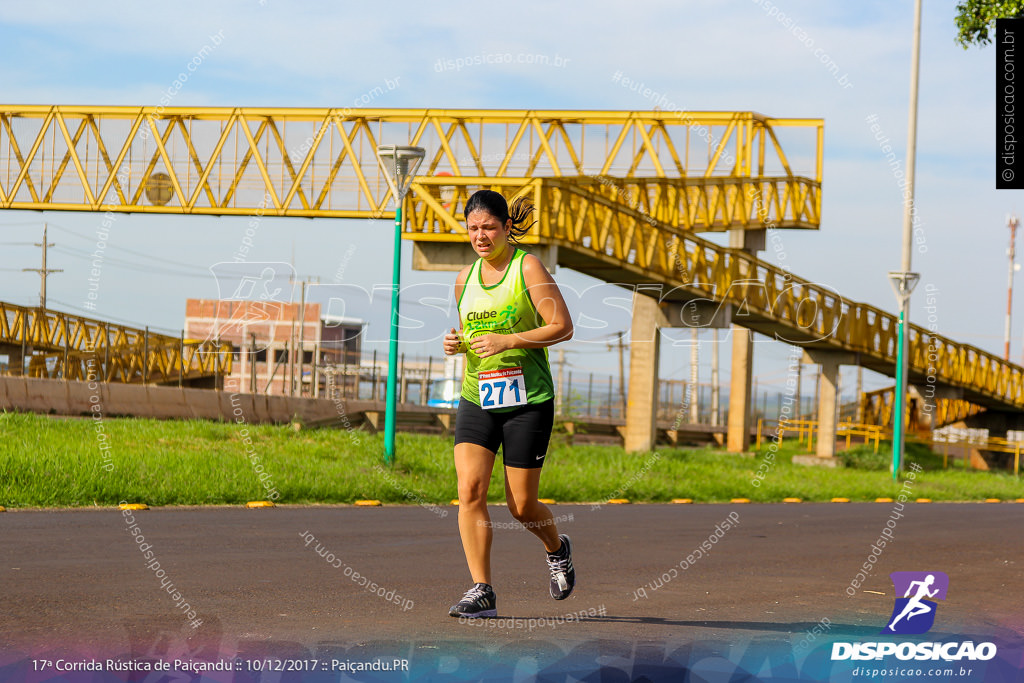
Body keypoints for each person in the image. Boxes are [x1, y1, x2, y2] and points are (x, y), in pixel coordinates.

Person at [442, 189, 574, 618]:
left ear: (506, 227)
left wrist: (510, 340)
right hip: (477, 395)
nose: (481, 236)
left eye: (489, 227)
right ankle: (482, 590)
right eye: (473, 228)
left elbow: (562, 326)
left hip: (527, 399)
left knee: (520, 506)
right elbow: (473, 337)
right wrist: (456, 343)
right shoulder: (464, 280)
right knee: (469, 490)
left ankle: (557, 548)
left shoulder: (527, 267)